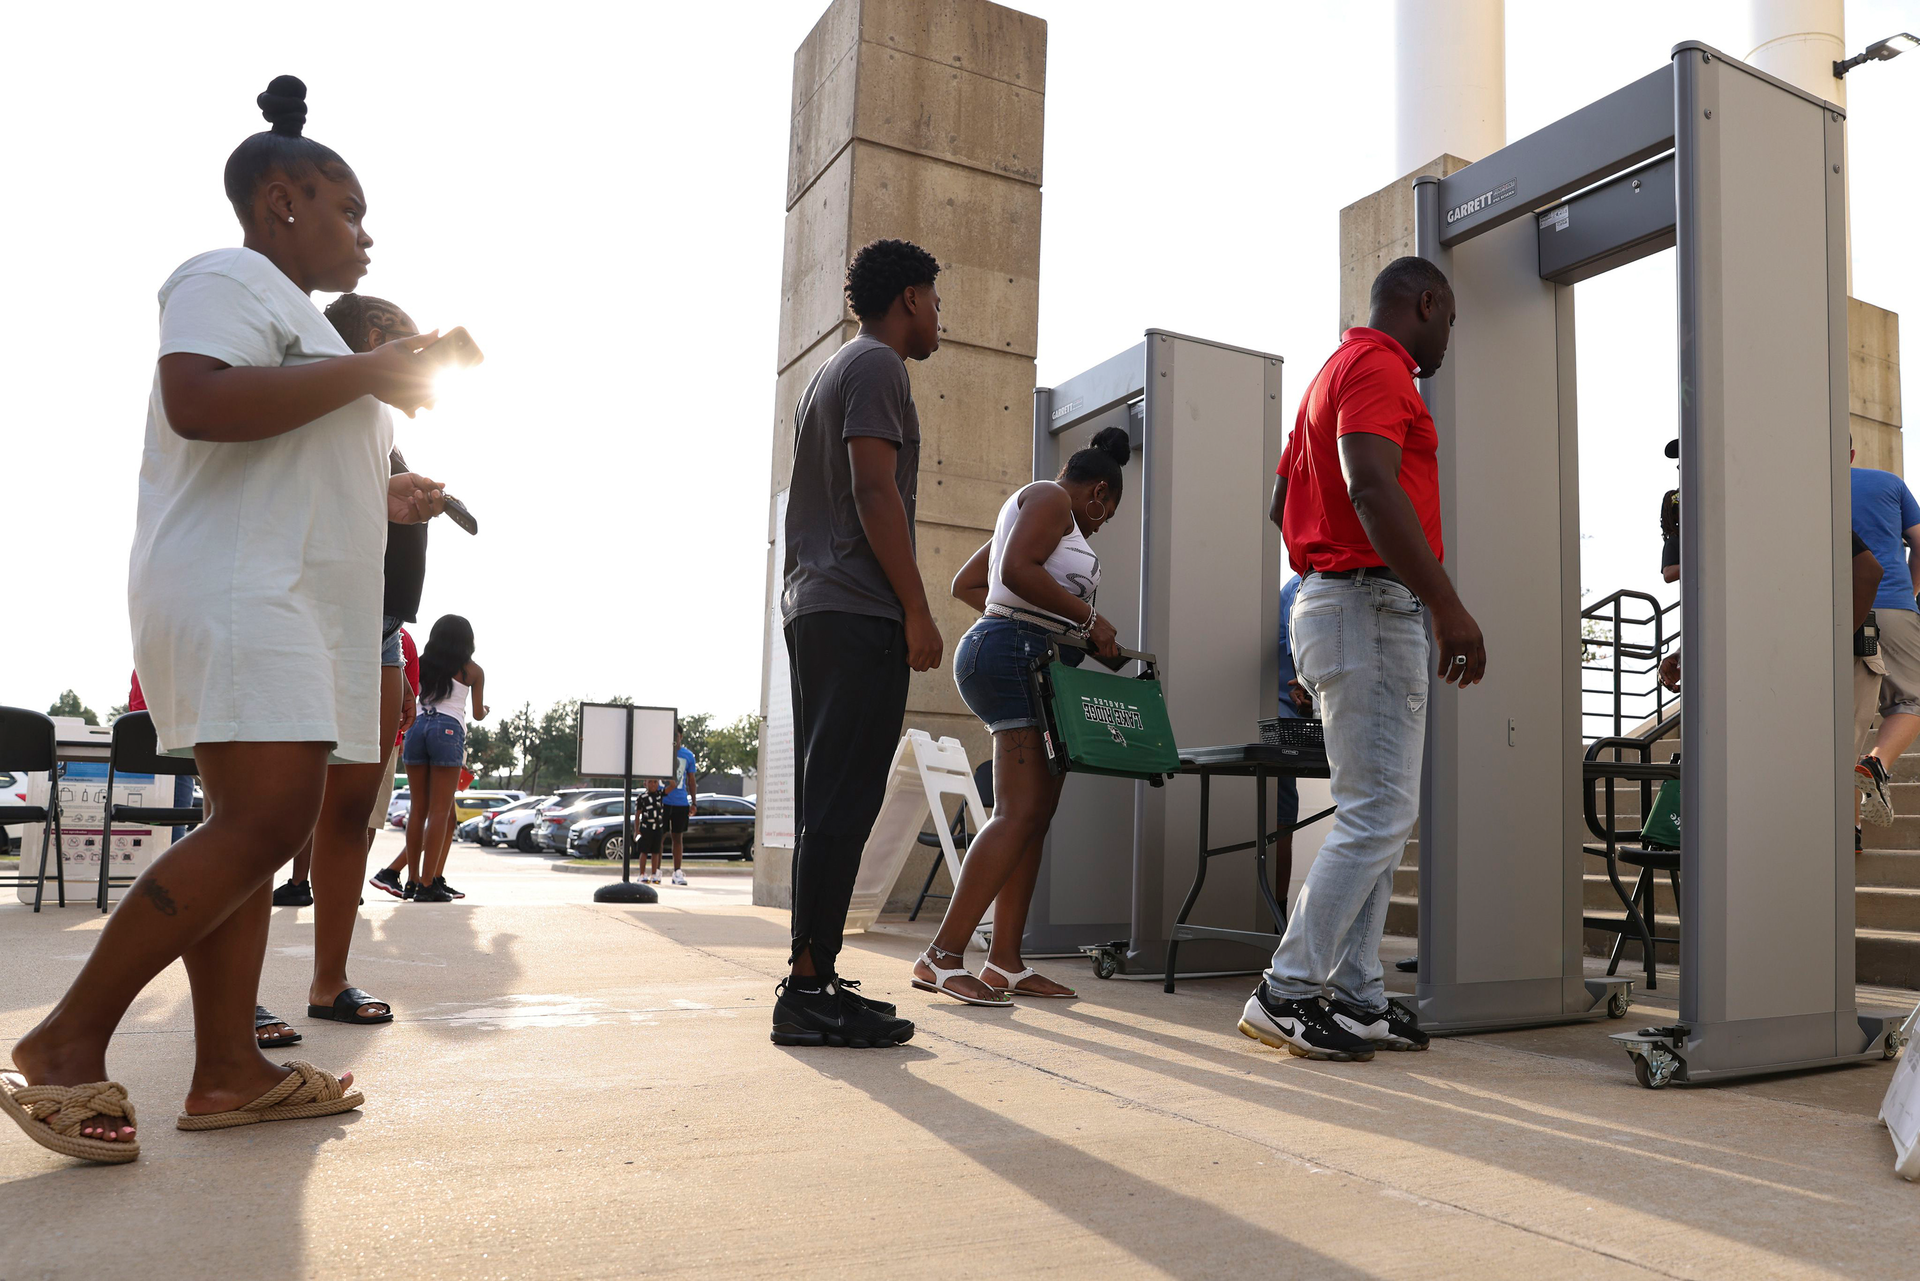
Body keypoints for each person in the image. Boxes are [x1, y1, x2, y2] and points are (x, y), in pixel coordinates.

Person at [3, 77, 447, 1161]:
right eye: (351, 210)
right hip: (241, 594)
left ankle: (229, 1072)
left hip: (270, 591)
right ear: (282, 199)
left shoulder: (294, 318)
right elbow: (197, 400)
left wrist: (382, 493)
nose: (367, 235)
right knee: (269, 822)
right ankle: (67, 1043)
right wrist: (377, 369)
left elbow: (279, 460)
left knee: (249, 831)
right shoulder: (225, 273)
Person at [1242, 256, 1486, 1063]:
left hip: (1331, 599)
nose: (1449, 335)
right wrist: (1445, 603)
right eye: (1449, 319)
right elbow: (1373, 487)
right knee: (1380, 812)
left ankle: (1356, 994)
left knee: (1370, 812)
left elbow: (1282, 504)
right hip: (1368, 604)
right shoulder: (1383, 367)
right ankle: (1287, 988)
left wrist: (1323, 566)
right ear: (1427, 302)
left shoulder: (1328, 375)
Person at [771, 237, 945, 1049]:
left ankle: (820, 974)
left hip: (818, 607)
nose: (939, 315)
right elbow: (876, 488)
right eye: (935, 299)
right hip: (856, 611)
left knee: (829, 802)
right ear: (909, 297)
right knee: (843, 802)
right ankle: (808, 989)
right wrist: (916, 607)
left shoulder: (831, 372)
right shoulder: (878, 365)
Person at [910, 426, 1129, 1005]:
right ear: (1099, 492)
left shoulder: (1035, 507)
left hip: (1032, 655)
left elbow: (970, 583)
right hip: (1011, 653)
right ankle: (941, 956)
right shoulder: (1052, 498)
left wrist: (1068, 628)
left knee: (1034, 815)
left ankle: (1004, 963)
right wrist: (1083, 619)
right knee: (1019, 811)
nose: (1102, 524)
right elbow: (1010, 575)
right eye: (1107, 513)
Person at [390, 615, 487, 903]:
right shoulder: (472, 671)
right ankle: (428, 883)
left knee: (418, 809)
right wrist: (487, 711)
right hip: (447, 730)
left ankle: (410, 881)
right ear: (467, 640)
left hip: (417, 728)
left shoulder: (420, 664)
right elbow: (478, 713)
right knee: (441, 812)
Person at [1850, 444, 1920, 831]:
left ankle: (1850, 831)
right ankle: (1877, 762)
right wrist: (1909, 591)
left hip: (1828, 616)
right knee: (1909, 700)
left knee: (1846, 722)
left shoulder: (1797, 490)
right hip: (1889, 606)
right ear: (1853, 453)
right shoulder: (1888, 483)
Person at [652, 723, 699, 886]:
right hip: (663, 800)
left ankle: (677, 872)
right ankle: (656, 871)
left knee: (677, 837)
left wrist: (694, 802)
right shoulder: (662, 753)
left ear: (681, 736)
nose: (674, 739)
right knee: (659, 836)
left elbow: (691, 780)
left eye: (677, 736)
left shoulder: (688, 756)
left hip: (680, 801)